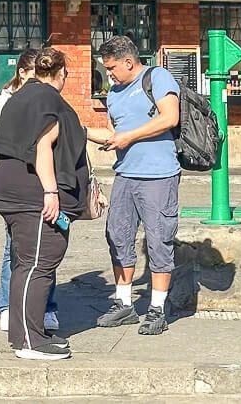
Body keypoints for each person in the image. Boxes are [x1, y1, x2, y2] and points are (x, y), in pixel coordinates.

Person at [0, 47, 88, 360]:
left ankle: (26, 335)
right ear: (62, 74)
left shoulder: (21, 95)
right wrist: (51, 193)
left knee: (25, 264)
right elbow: (44, 146)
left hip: (8, 186)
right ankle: (30, 341)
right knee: (39, 264)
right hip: (31, 193)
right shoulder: (49, 99)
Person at [87, 36, 180, 337]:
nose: (109, 74)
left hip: (158, 175)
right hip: (125, 175)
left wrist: (130, 137)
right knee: (118, 236)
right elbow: (116, 134)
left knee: (158, 240)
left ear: (128, 62)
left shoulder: (157, 77)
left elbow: (170, 117)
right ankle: (124, 304)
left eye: (112, 68)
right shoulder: (113, 93)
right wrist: (82, 131)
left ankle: (157, 309)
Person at [0, 50, 59, 333]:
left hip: (38, 182)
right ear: (22, 73)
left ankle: (47, 307)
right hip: (19, 184)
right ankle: (8, 306)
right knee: (14, 250)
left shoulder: (45, 100)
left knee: (47, 249)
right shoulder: (6, 103)